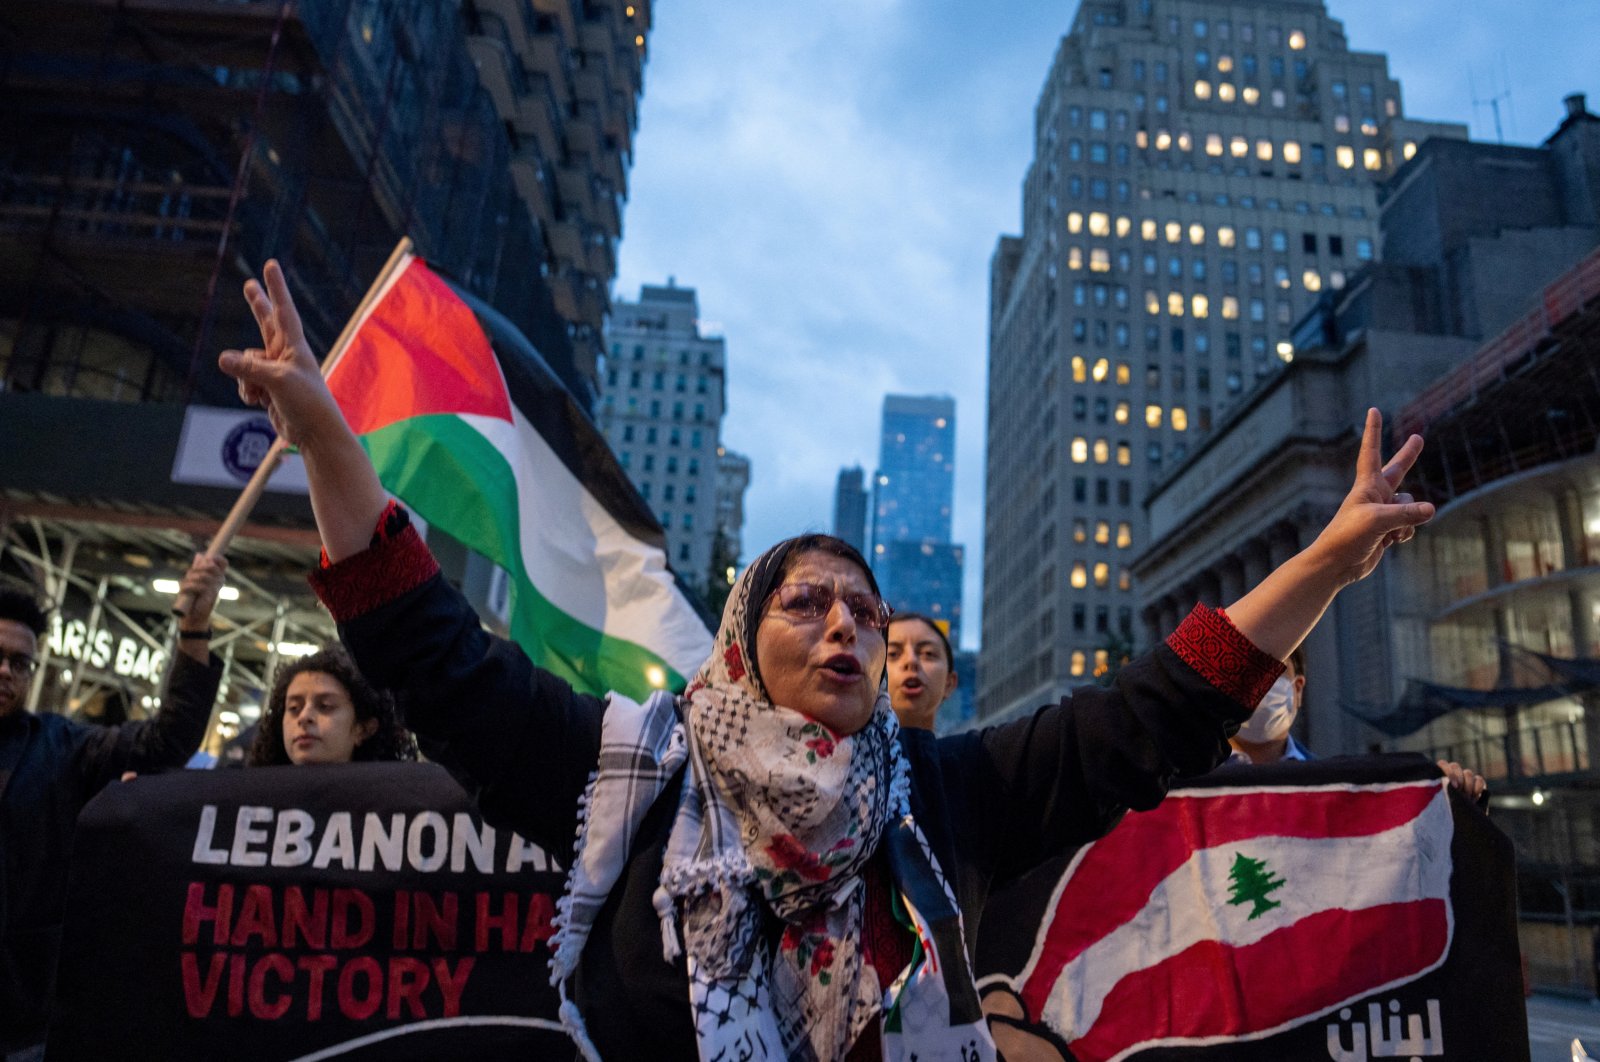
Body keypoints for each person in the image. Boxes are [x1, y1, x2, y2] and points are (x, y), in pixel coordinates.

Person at [218, 260, 1437, 1061]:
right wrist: (327, 438)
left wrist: (1328, 558)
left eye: (864, 605)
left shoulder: (943, 795)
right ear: (743, 648)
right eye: (808, 604)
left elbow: (1156, 711)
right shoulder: (625, 779)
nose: (848, 625)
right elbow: (425, 651)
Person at [0, 554, 225, 1058]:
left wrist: (195, 627)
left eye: (20, 663)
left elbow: (167, 740)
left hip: (18, 1016)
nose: (6, 672)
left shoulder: (59, 748)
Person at [1227, 645, 1487, 802]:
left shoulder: (1339, 787)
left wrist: (1448, 798)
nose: (1258, 686)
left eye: (1272, 673)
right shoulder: (1189, 782)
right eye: (1246, 673)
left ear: (1297, 691)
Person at [245, 645, 416, 766]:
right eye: (294, 708)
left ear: (364, 729)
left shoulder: (392, 807)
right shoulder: (248, 798)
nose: (304, 717)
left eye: (325, 706)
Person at [885, 613, 957, 731]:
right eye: (893, 654)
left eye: (928, 653)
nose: (911, 660)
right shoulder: (847, 749)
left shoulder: (972, 748)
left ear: (949, 683)